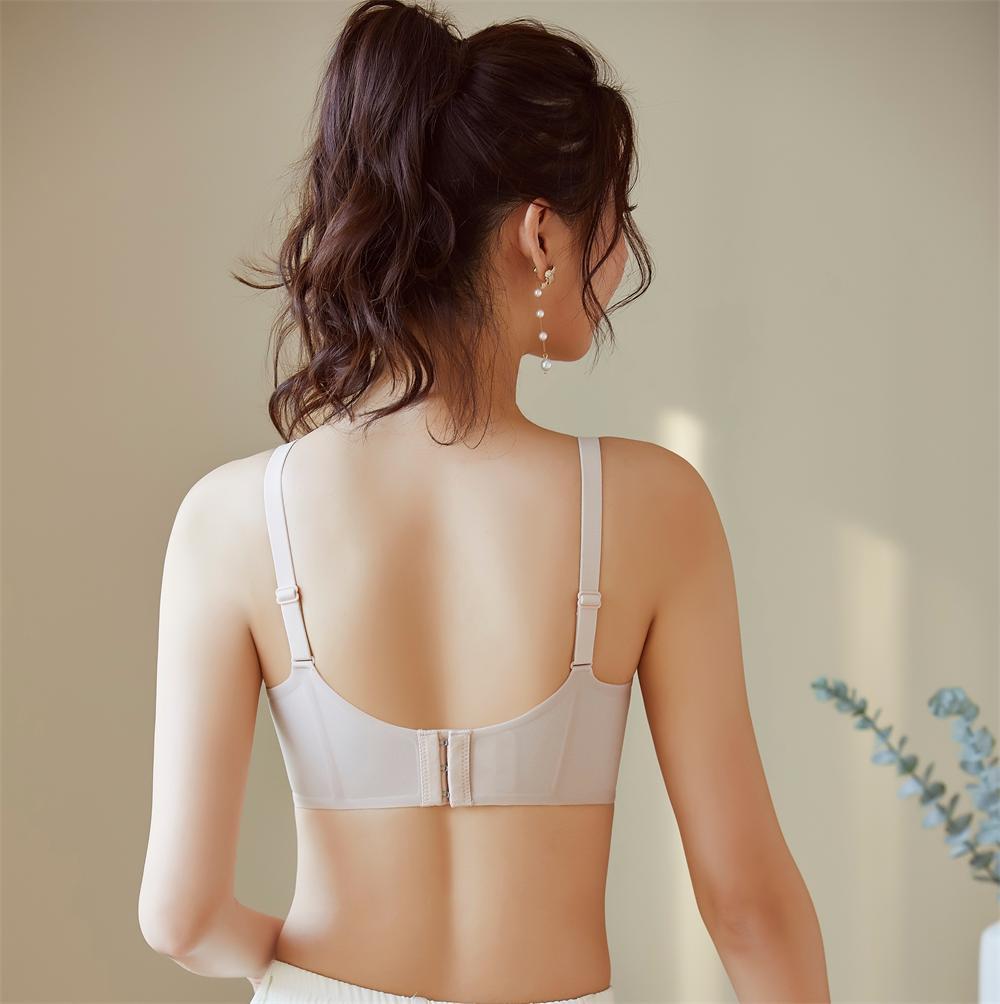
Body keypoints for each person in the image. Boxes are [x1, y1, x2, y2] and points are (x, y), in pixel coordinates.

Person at [137, 1, 831, 1001]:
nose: (620, 257)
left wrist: (312, 979)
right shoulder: (652, 506)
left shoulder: (229, 517)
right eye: (614, 219)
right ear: (541, 235)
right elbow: (747, 902)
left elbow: (182, 916)